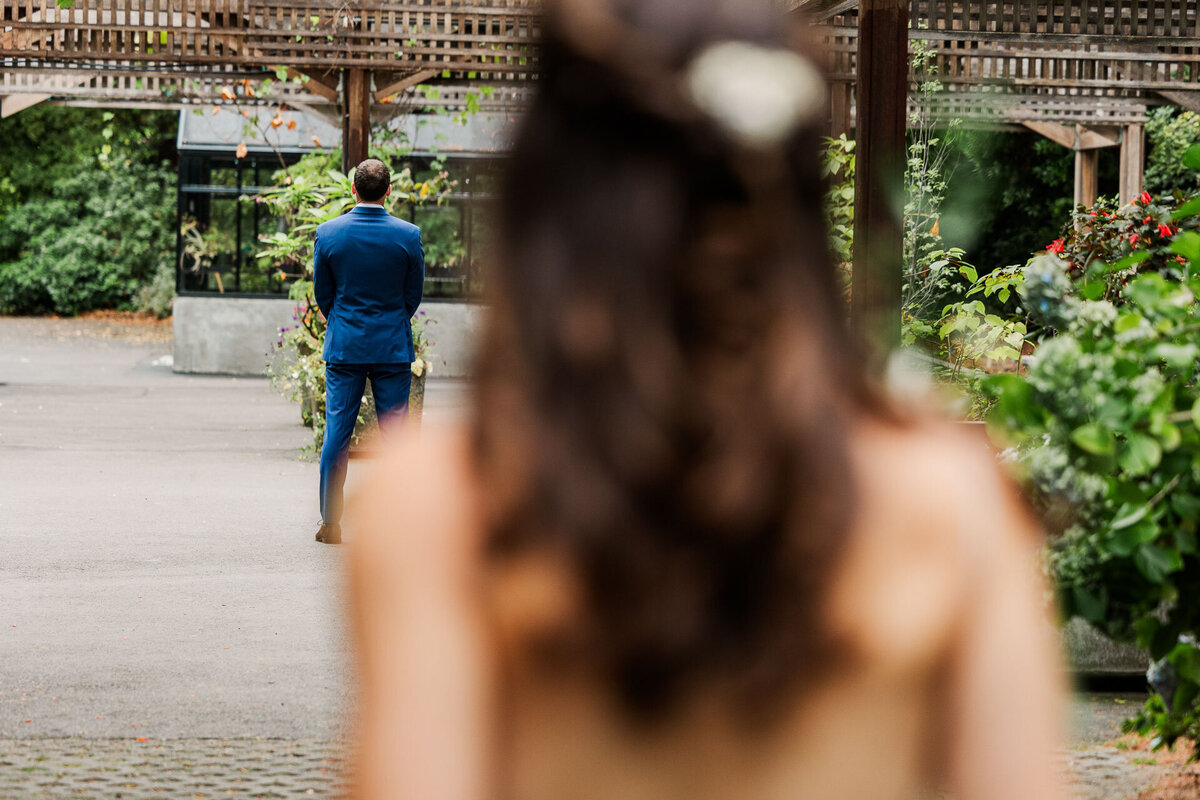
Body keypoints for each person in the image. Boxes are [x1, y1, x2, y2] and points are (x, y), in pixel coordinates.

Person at [345, 0, 1067, 797]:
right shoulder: (952, 500)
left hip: (356, 349)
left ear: (547, 201)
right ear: (791, 206)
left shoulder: (446, 510)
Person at [312, 157, 424, 545]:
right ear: (388, 190)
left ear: (353, 189)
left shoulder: (328, 234)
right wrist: (392, 319)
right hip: (392, 346)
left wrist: (341, 319)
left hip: (345, 347)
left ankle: (331, 522)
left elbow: (322, 294)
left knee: (337, 433)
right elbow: (413, 295)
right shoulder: (408, 235)